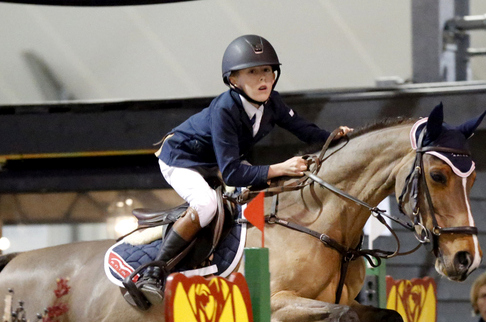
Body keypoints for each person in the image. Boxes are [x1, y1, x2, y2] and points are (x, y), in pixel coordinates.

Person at [131, 34, 351, 307]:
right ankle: (154, 271)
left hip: (219, 159)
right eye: (252, 72)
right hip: (181, 159)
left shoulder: (272, 103)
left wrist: (336, 138)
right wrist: (279, 167)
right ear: (233, 80)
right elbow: (233, 173)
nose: (263, 79)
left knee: (263, 191)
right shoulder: (225, 109)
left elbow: (305, 130)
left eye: (267, 71)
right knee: (206, 204)